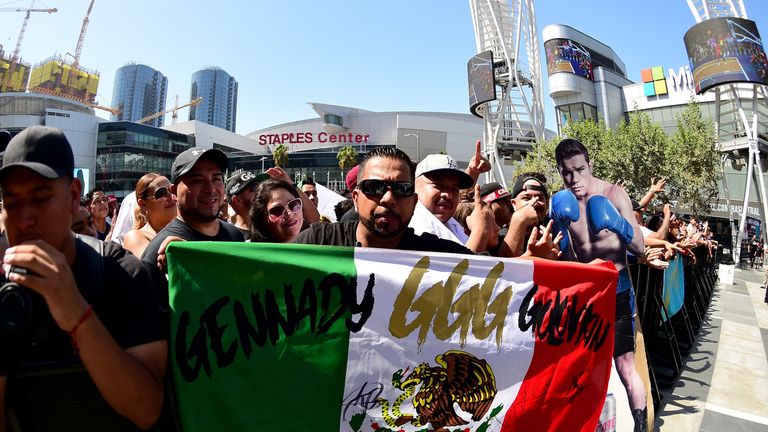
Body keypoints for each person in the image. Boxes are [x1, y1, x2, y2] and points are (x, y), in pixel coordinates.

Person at [0, 125, 166, 430]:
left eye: (40, 197)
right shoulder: (3, 288)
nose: (24, 218)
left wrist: (78, 315)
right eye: (11, 202)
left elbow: (148, 409)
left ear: (74, 195)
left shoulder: (120, 272)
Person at [551, 138, 648, 432]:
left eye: (580, 169)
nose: (575, 178)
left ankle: (642, 426)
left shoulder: (613, 193)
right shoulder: (562, 202)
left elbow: (641, 248)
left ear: (589, 164)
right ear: (560, 171)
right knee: (583, 367)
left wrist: (618, 225)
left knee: (625, 365)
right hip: (585, 294)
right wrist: (562, 234)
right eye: (567, 172)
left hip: (617, 289)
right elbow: (564, 259)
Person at [294, 146, 472, 254]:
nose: (388, 199)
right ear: (355, 198)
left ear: (414, 201)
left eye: (402, 189)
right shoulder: (319, 242)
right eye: (374, 188)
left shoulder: (439, 256)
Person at [141, 147, 245, 309]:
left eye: (216, 179)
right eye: (197, 180)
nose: (210, 189)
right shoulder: (159, 253)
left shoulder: (235, 236)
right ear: (174, 191)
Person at [410, 153, 495, 252]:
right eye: (438, 185)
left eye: (454, 189)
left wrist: (473, 172)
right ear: (414, 186)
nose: (448, 195)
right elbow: (458, 266)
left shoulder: (446, 220)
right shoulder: (414, 224)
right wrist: (480, 230)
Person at [123, 173, 178, 259]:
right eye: (161, 193)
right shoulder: (134, 237)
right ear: (143, 205)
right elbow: (150, 268)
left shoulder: (187, 228)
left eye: (172, 190)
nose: (170, 196)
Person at [226, 170, 270, 238]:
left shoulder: (274, 228)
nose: (260, 191)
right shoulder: (229, 237)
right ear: (237, 200)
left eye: (261, 186)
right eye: (254, 187)